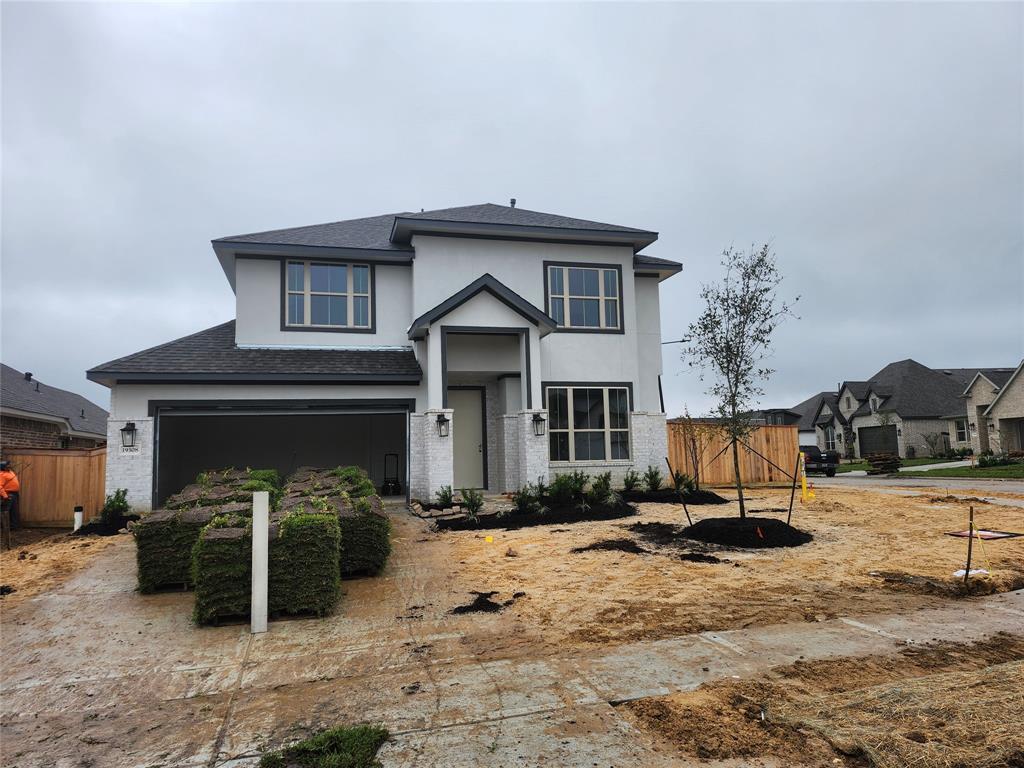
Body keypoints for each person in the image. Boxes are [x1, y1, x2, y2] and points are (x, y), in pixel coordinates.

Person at [0, 460, 21, 530]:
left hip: (15, 494)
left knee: (14, 511)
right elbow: (0, 486)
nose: (9, 466)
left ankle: (14, 526)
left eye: (9, 464)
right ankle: (5, 527)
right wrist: (5, 496)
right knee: (5, 511)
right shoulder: (2, 475)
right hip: (8, 495)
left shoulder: (11, 472)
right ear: (3, 467)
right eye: (7, 465)